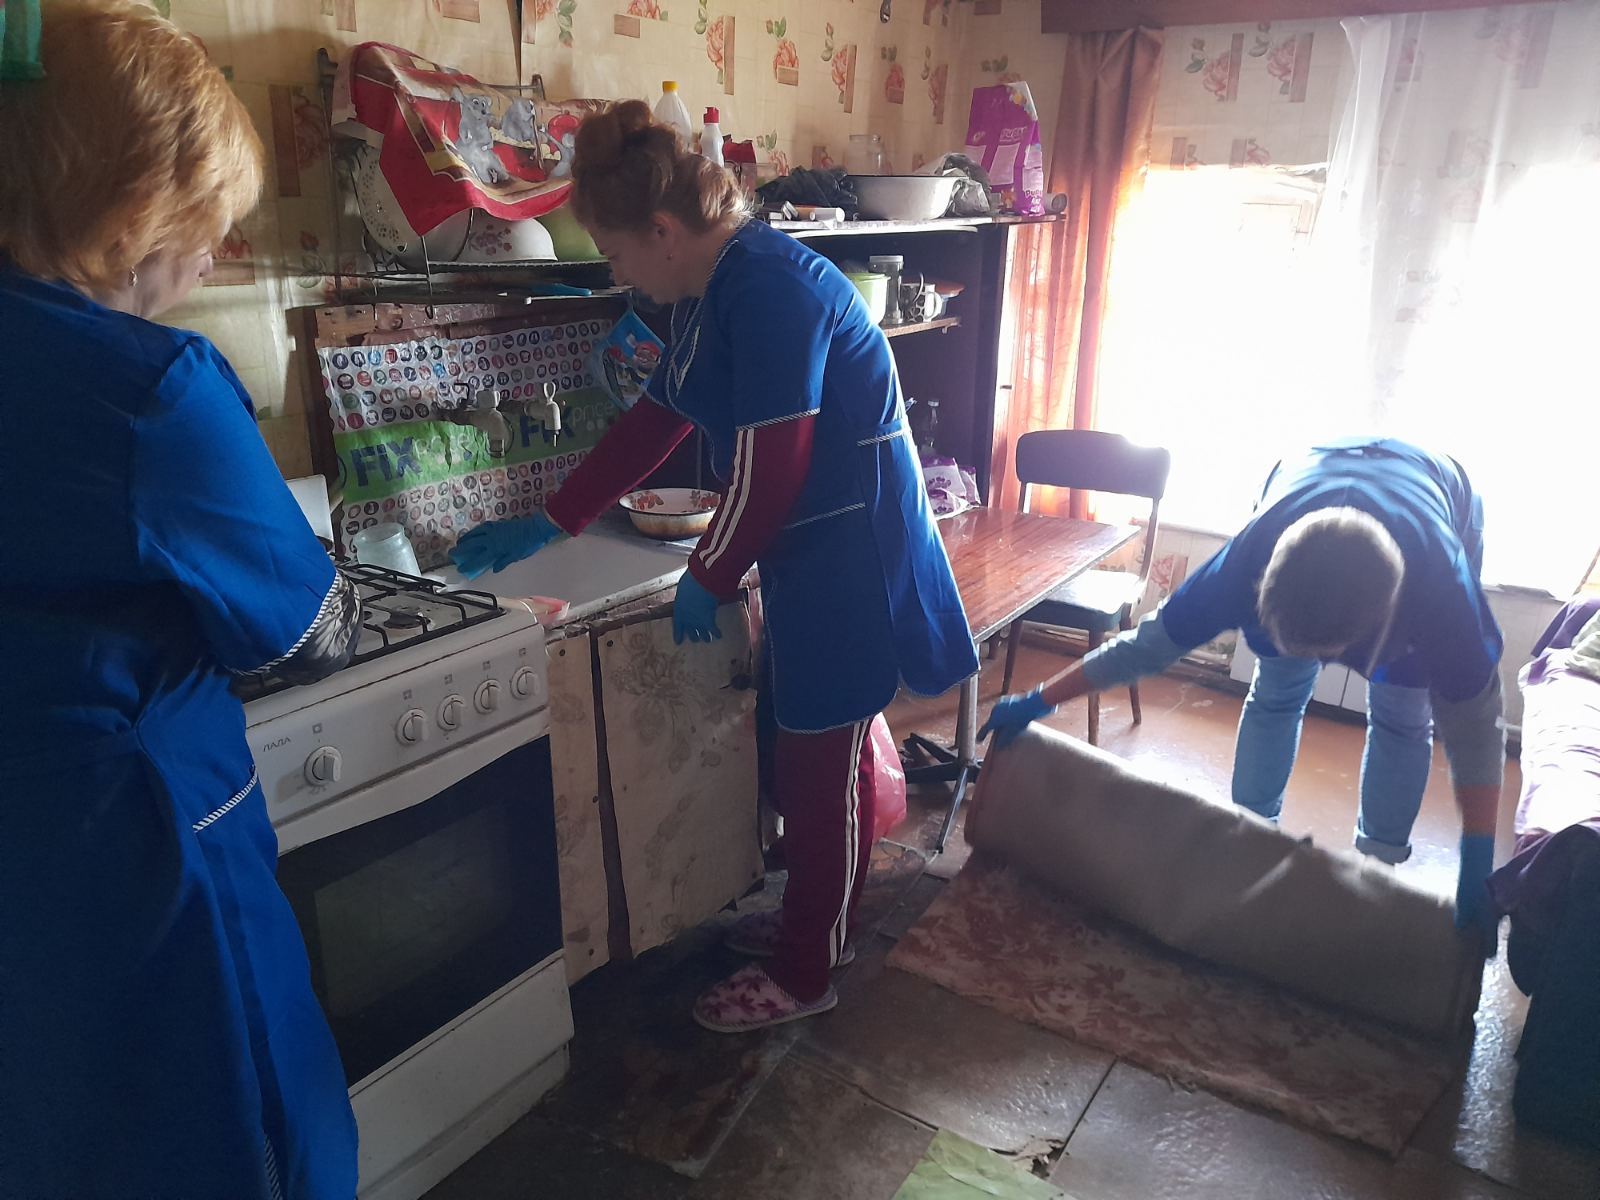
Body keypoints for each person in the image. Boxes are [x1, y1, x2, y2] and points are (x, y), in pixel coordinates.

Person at [450, 101, 978, 1032]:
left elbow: (771, 463)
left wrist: (711, 571)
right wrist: (551, 518)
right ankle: (819, 922)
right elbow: (658, 420)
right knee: (815, 758)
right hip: (812, 549)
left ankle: (807, 970)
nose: (618, 273)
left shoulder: (768, 289)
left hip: (852, 556)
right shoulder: (715, 287)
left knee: (821, 767)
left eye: (615, 253)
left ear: (662, 231)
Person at [0, 4, 362, 1196]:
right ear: (133, 209)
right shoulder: (152, 390)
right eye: (207, 221)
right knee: (243, 1135)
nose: (216, 252)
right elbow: (309, 633)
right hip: (146, 848)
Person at [981, 439, 1505, 948]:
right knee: (1277, 692)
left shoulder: (1442, 600)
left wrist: (1477, 854)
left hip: (1433, 494)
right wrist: (1039, 699)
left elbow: (1475, 731)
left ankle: (1378, 872)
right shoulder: (1244, 565)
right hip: (1312, 470)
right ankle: (1253, 834)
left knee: (1402, 717)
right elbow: (1144, 649)